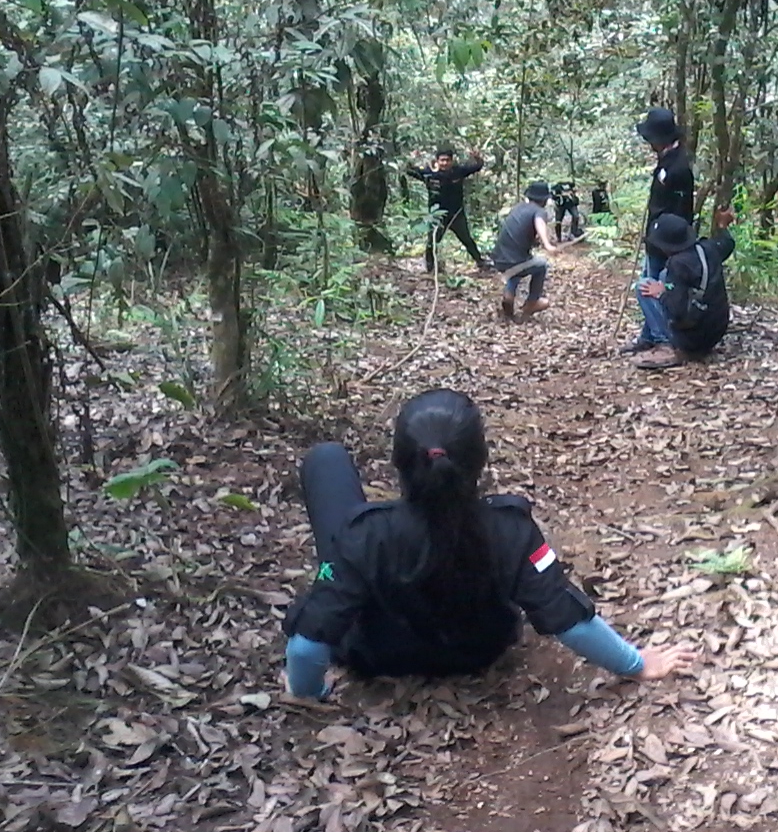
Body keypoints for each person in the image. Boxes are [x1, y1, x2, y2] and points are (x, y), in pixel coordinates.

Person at [282, 390, 695, 699]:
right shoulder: (511, 529)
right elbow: (565, 615)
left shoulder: (364, 534)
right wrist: (635, 664)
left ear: (399, 463)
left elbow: (306, 646)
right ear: (480, 460)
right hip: (478, 652)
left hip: (375, 656)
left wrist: (309, 692)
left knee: (327, 459)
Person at [624, 108, 695, 353]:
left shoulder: (679, 168)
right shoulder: (666, 160)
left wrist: (670, 244)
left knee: (650, 287)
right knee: (649, 282)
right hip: (655, 239)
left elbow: (680, 212)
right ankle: (649, 336)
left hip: (667, 242)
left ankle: (664, 339)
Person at [631, 210, 736, 371]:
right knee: (663, 277)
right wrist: (722, 225)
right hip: (716, 331)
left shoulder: (678, 265)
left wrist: (661, 293)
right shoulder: (708, 248)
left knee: (643, 286)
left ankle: (667, 346)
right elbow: (727, 242)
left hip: (693, 339)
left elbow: (678, 311)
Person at [406, 146, 487, 273]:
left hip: (456, 214)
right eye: (442, 160)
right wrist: (411, 158)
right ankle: (430, 268)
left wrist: (477, 157)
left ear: (452, 161)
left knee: (467, 239)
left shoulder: (458, 171)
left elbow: (478, 166)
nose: (445, 163)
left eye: (447, 160)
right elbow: (409, 171)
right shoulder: (429, 173)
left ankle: (480, 262)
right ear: (437, 161)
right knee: (432, 242)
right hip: (437, 216)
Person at [490, 181, 559, 322]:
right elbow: (539, 223)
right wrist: (547, 244)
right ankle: (532, 302)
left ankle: (509, 296)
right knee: (541, 265)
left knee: (516, 267)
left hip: (499, 258)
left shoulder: (518, 208)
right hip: (516, 260)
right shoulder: (539, 211)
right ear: (545, 200)